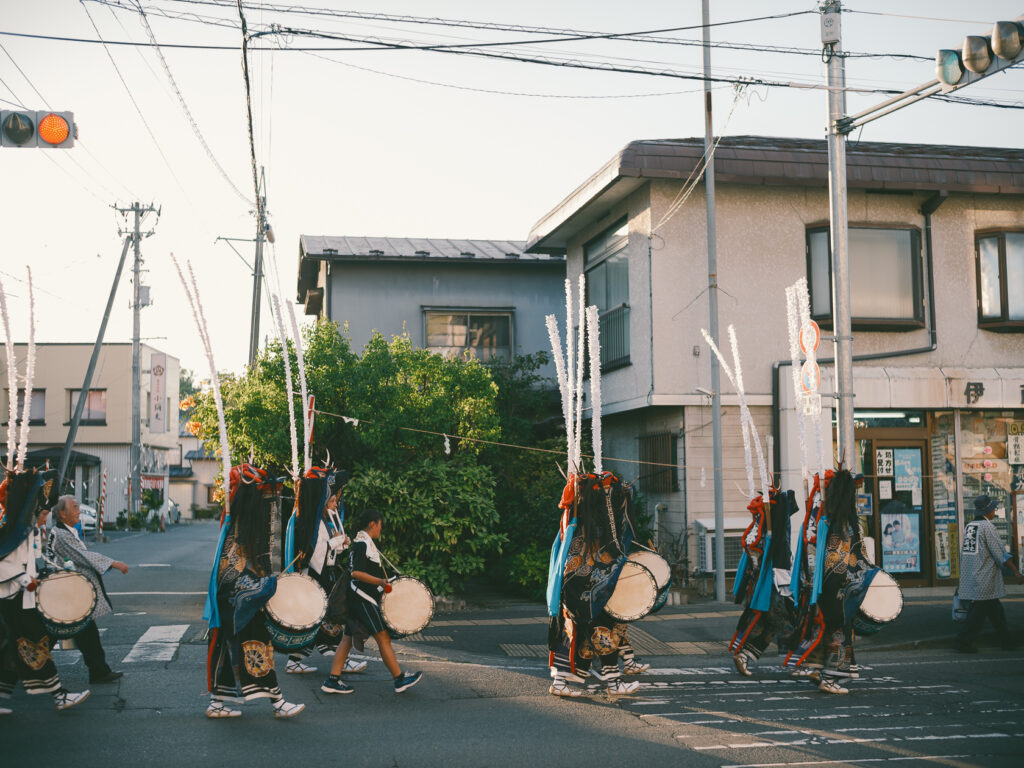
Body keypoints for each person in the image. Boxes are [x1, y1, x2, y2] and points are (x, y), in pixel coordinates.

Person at [204, 464, 304, 719]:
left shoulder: (238, 522)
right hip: (235, 597)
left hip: (234, 597)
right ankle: (278, 703)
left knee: (226, 649)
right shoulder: (237, 525)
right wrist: (261, 587)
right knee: (257, 645)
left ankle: (217, 703)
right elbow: (232, 569)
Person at [0, 468, 90, 712]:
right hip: (13, 597)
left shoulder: (25, 530)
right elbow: (4, 564)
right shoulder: (14, 531)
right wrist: (23, 579)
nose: (45, 518)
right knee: (35, 643)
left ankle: (3, 692)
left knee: (15, 646)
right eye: (44, 512)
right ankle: (60, 695)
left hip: (19, 597)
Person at [792, 469, 879, 695]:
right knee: (839, 632)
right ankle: (829, 677)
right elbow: (846, 558)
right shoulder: (842, 523)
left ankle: (818, 669)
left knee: (830, 630)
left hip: (823, 585)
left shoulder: (825, 518)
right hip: (838, 587)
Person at [321, 508, 422, 695]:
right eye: (380, 525)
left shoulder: (364, 543)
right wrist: (381, 582)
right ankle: (399, 679)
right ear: (373, 524)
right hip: (362, 599)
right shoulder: (362, 545)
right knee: (383, 637)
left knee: (347, 639)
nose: (380, 530)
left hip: (356, 598)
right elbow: (356, 573)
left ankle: (332, 680)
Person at [284, 470, 365, 675]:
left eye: (336, 501)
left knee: (325, 618)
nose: (336, 505)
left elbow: (330, 550)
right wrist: (338, 541)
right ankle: (335, 658)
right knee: (330, 616)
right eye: (332, 501)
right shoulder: (316, 525)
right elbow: (316, 554)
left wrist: (342, 543)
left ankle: (308, 657)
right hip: (317, 576)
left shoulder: (325, 523)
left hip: (325, 575)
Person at [46, 495, 128, 684]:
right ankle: (27, 670)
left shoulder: (65, 531)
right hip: (65, 591)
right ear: (62, 514)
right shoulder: (62, 534)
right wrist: (113, 563)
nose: (79, 511)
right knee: (52, 633)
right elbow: (84, 556)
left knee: (83, 632)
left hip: (68, 590)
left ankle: (99, 671)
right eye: (74, 508)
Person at [730, 488, 800, 677]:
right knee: (786, 623)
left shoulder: (755, 530)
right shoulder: (768, 533)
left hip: (758, 585)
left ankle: (745, 655)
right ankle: (801, 662)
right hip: (769, 587)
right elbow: (777, 557)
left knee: (766, 626)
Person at [954, 495, 1023, 653]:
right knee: (978, 614)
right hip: (985, 576)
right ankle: (963, 641)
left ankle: (1007, 641)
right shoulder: (987, 527)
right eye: (993, 508)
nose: (995, 511)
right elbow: (1000, 554)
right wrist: (1016, 572)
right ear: (988, 510)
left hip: (973, 574)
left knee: (995, 611)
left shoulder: (970, 526)